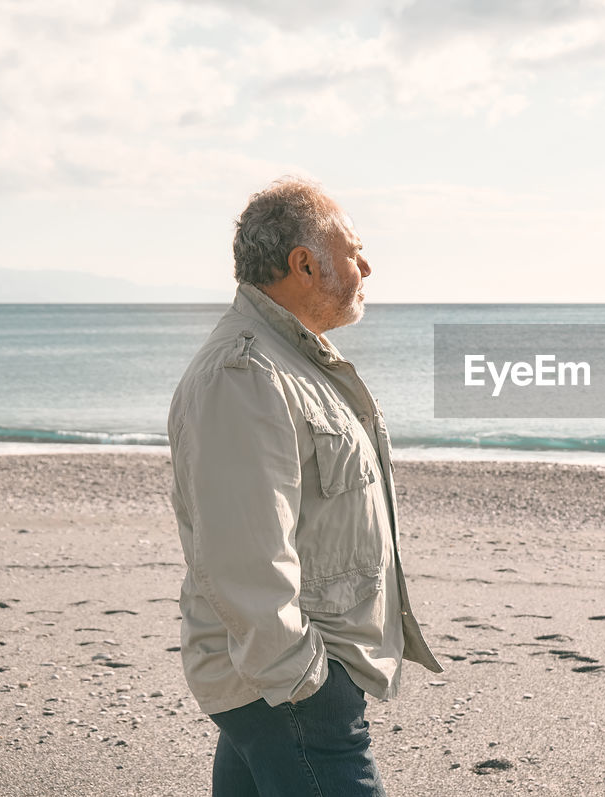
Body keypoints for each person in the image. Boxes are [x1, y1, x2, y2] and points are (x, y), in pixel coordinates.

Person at [167, 178, 441, 796]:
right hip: (286, 685)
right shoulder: (245, 373)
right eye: (354, 249)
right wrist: (305, 682)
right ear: (304, 263)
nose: (368, 265)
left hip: (281, 677)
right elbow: (246, 554)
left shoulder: (293, 363)